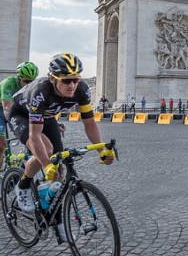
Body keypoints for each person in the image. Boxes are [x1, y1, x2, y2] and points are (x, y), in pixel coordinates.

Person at [8, 54, 115, 228]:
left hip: (47, 116)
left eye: (75, 79)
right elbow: (35, 135)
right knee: (48, 152)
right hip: (21, 115)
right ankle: (23, 184)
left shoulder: (81, 90)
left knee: (60, 172)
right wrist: (46, 165)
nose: (72, 85)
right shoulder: (40, 91)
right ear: (52, 78)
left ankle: (57, 221)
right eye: (66, 81)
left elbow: (89, 124)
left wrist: (101, 151)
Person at [0, 62, 39, 187]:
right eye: (26, 81)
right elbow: (7, 108)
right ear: (19, 77)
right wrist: (16, 128)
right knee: (0, 146)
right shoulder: (9, 83)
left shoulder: (32, 86)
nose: (29, 85)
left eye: (32, 81)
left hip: (18, 112)